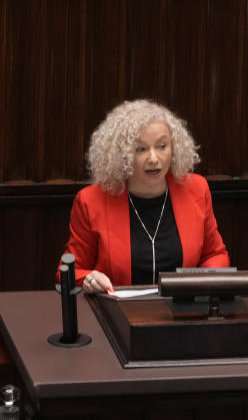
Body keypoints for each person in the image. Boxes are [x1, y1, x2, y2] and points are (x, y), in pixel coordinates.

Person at [61, 99, 229, 293]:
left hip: (182, 313)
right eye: (141, 149)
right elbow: (69, 272)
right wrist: (88, 279)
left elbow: (215, 254)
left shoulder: (196, 189)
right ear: (121, 154)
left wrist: (199, 288)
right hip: (118, 314)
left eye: (162, 146)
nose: (154, 158)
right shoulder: (91, 201)